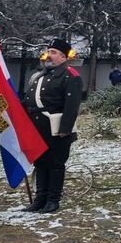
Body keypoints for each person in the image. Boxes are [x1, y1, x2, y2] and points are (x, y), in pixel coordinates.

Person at [22, 38, 82, 213]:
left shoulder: (70, 75)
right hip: (37, 127)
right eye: (48, 51)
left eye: (54, 52)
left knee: (55, 164)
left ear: (63, 57)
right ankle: (40, 199)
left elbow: (72, 105)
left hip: (55, 128)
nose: (49, 55)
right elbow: (29, 100)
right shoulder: (41, 75)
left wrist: (65, 128)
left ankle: (53, 200)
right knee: (40, 163)